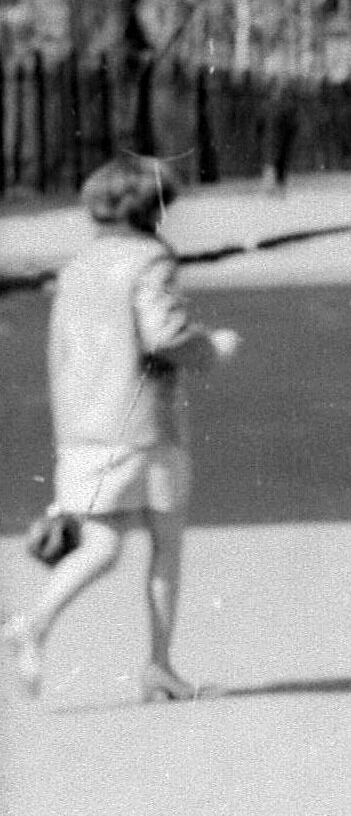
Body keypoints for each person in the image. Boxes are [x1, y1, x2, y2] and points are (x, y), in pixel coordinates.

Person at [6, 154, 241, 704]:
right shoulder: (151, 259)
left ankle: (33, 624)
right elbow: (163, 335)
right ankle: (159, 666)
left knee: (102, 544)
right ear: (152, 209)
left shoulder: (77, 266)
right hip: (145, 425)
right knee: (166, 543)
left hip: (84, 427)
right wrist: (212, 348)